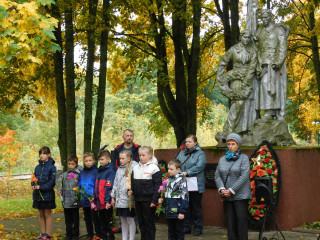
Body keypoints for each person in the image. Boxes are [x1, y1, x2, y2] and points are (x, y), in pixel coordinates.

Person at [217, 29, 258, 133]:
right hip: (235, 78)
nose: (246, 39)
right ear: (241, 37)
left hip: (248, 79)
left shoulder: (253, 51)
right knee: (238, 103)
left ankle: (241, 129)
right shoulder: (234, 49)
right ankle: (230, 129)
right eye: (245, 37)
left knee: (248, 105)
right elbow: (223, 62)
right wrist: (221, 78)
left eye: (248, 38)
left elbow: (252, 67)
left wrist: (246, 81)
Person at [214, 133, 252, 240]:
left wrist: (231, 190)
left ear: (238, 145)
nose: (230, 146)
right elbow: (217, 176)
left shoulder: (244, 158)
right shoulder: (222, 159)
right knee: (230, 223)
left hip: (240, 195)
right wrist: (222, 189)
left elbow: (244, 176)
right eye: (229, 144)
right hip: (226, 195)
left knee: (241, 222)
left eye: (233, 144)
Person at [256, 9, 289, 120]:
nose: (264, 20)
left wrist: (279, 61)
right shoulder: (260, 31)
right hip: (263, 62)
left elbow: (283, 47)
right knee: (265, 85)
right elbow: (254, 42)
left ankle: (274, 112)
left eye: (266, 17)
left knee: (276, 87)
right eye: (262, 18)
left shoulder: (278, 30)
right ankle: (268, 111)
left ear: (270, 17)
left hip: (275, 63)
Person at [176, 135, 206, 236]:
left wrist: (187, 172)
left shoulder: (200, 154)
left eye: (190, 142)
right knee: (185, 206)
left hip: (195, 184)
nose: (187, 144)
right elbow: (176, 164)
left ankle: (198, 227)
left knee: (196, 207)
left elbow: (200, 166)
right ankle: (186, 227)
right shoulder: (181, 153)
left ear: (195, 143)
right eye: (186, 142)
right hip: (183, 184)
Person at [112, 129, 141, 234]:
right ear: (123, 137)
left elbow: (139, 162)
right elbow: (115, 164)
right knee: (121, 208)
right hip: (120, 179)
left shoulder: (138, 148)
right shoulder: (117, 149)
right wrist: (121, 174)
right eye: (127, 135)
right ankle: (121, 227)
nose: (129, 137)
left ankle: (135, 227)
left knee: (131, 208)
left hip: (132, 181)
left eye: (131, 135)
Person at [131, 146, 162, 240]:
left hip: (149, 200)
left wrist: (154, 200)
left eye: (143, 155)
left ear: (149, 155)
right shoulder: (135, 168)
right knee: (141, 222)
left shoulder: (154, 168)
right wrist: (131, 190)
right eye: (140, 155)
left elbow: (158, 186)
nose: (141, 157)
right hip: (138, 199)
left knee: (149, 222)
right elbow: (132, 183)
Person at [158, 159, 189, 240]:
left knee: (179, 231)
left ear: (178, 170)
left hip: (177, 210)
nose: (169, 171)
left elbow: (184, 196)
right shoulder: (167, 180)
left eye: (171, 169)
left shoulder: (181, 180)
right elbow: (167, 193)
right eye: (168, 169)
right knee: (171, 231)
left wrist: (182, 211)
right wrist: (162, 199)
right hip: (169, 209)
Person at [111, 150, 138, 240]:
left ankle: (131, 238)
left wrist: (133, 191)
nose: (120, 160)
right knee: (123, 220)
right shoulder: (119, 169)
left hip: (128, 199)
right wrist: (113, 197)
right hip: (120, 199)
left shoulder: (134, 168)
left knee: (130, 219)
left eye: (123, 158)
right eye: (120, 158)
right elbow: (115, 183)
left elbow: (136, 183)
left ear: (129, 158)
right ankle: (124, 238)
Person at [32, 146, 56, 240]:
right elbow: (33, 179)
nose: (42, 155)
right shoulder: (37, 167)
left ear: (48, 155)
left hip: (48, 195)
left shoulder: (52, 167)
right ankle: (42, 233)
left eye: (44, 153)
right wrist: (33, 185)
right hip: (37, 194)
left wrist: (41, 187)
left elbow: (52, 182)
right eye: (41, 153)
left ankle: (48, 234)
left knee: (47, 214)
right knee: (41, 214)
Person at [56, 155, 81, 240]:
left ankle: (75, 235)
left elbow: (80, 185)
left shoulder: (78, 174)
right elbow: (60, 183)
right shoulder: (65, 174)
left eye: (72, 164)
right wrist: (60, 190)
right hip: (66, 200)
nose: (70, 166)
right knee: (68, 219)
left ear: (76, 164)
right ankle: (68, 234)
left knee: (75, 218)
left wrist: (79, 190)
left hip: (74, 200)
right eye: (69, 164)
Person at [78, 152, 101, 240]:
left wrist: (94, 196)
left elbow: (98, 185)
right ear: (84, 161)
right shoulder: (82, 172)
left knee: (95, 218)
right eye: (86, 161)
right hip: (84, 199)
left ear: (94, 161)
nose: (88, 162)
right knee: (87, 219)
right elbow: (80, 183)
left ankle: (98, 234)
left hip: (93, 200)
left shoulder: (96, 171)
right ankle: (90, 234)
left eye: (90, 160)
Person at [95, 150, 116, 240]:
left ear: (108, 159)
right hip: (99, 201)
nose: (100, 161)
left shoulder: (110, 171)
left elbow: (109, 187)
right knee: (102, 220)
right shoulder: (99, 170)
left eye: (102, 159)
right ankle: (103, 236)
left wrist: (107, 200)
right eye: (99, 160)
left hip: (106, 201)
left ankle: (111, 236)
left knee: (109, 221)